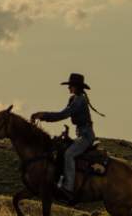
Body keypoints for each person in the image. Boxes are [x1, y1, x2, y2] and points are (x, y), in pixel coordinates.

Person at [31, 73, 100, 201]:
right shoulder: (75, 99)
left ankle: (68, 188)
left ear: (76, 87)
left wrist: (43, 115)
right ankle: (61, 181)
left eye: (71, 86)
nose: (69, 88)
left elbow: (63, 114)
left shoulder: (79, 100)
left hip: (86, 136)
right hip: (81, 134)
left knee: (69, 154)